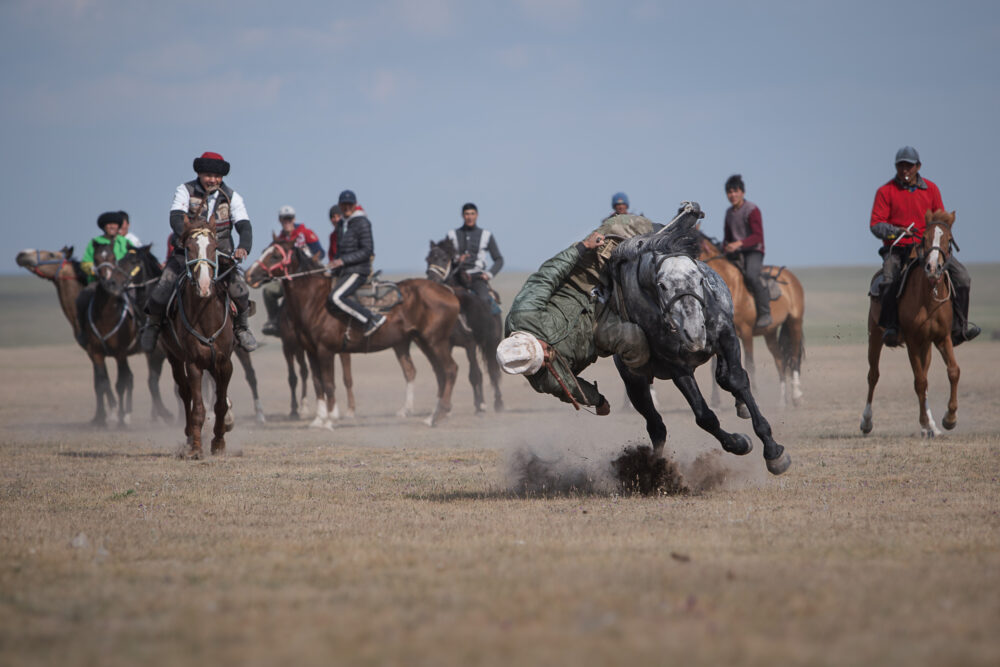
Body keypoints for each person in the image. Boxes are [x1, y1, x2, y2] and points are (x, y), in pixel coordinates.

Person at [496, 215, 655, 413]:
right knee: (632, 339)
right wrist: (598, 401)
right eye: (542, 361)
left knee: (618, 228)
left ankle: (670, 234)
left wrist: (583, 246)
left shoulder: (523, 314)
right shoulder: (544, 381)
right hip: (595, 331)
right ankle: (647, 372)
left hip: (578, 287)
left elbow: (548, 275)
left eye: (541, 351)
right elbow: (572, 389)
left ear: (527, 338)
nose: (547, 355)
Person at [139, 151, 258, 352]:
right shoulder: (184, 190)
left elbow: (244, 225)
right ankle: (153, 325)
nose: (213, 180)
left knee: (241, 291)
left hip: (220, 256)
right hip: (188, 254)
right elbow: (176, 217)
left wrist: (243, 247)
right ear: (200, 174)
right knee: (161, 290)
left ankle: (242, 328)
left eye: (217, 176)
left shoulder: (232, 197)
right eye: (208, 175)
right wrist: (189, 238)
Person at [870, 146, 979, 347]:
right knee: (889, 279)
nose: (905, 170)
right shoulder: (885, 192)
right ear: (896, 167)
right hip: (898, 249)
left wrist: (941, 236)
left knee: (963, 276)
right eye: (901, 166)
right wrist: (897, 231)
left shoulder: (931, 189)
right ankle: (892, 327)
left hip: (930, 248)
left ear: (918, 167)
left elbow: (941, 219)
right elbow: (876, 225)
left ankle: (959, 327)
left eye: (909, 166)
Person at [326, 190, 385, 337]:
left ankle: (372, 319)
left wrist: (343, 260)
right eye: (343, 204)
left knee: (335, 297)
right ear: (339, 205)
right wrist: (333, 265)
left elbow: (367, 250)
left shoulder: (362, 223)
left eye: (349, 204)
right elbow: (340, 250)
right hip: (344, 271)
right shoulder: (341, 225)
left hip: (358, 271)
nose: (346, 207)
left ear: (355, 205)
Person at [260, 205, 325, 336]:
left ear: (294, 219)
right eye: (284, 219)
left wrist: (311, 259)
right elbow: (269, 255)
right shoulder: (280, 239)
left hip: (306, 278)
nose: (287, 221)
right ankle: (274, 321)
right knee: (268, 291)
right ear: (280, 220)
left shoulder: (305, 233)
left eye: (289, 218)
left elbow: (321, 252)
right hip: (287, 280)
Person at [75, 211, 134, 345]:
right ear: (104, 227)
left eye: (114, 224)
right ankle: (83, 331)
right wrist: (94, 270)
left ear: (118, 226)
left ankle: (143, 331)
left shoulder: (125, 242)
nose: (112, 226)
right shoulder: (95, 243)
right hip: (98, 282)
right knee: (82, 298)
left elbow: (132, 261)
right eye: (109, 224)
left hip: (122, 283)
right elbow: (85, 262)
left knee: (139, 300)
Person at [722, 174, 771, 329]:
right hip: (737, 252)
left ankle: (765, 312)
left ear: (742, 192)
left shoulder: (752, 210)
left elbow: (758, 236)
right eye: (729, 192)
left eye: (735, 191)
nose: (732, 195)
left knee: (751, 275)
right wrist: (725, 247)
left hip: (754, 251)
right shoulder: (729, 213)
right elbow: (727, 238)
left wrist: (739, 244)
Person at [446, 202, 503, 313]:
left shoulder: (486, 235)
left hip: (477, 278)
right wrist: (457, 260)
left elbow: (499, 259)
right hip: (456, 277)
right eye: (467, 214)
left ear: (477, 215)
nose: (469, 217)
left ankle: (488, 329)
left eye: (472, 214)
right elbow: (446, 258)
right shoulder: (452, 235)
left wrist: (488, 274)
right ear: (462, 215)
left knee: (484, 301)